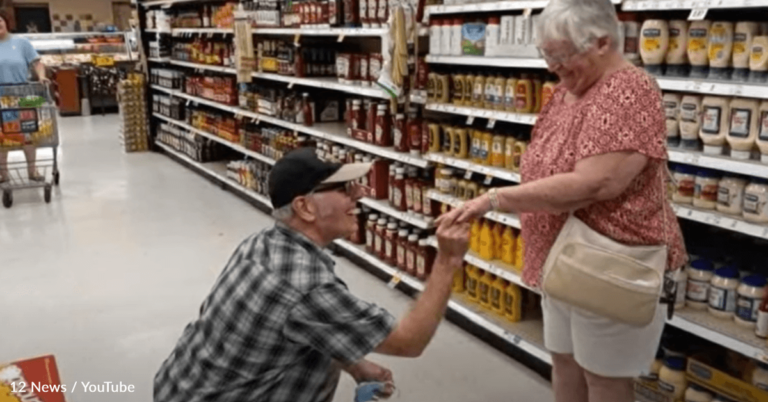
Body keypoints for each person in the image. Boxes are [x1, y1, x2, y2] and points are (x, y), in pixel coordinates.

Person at [437, 1, 687, 401]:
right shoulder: (568, 89)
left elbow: (596, 184)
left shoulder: (628, 89)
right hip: (562, 259)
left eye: (561, 55)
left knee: (604, 380)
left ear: (603, 42)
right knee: (565, 364)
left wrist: (495, 199)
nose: (552, 66)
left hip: (609, 262)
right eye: (547, 54)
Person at [154, 147, 470, 402]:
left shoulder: (263, 244)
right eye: (345, 188)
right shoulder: (304, 284)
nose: (358, 194)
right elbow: (408, 342)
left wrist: (355, 364)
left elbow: (302, 324)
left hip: (182, 386)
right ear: (305, 207)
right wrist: (446, 260)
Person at [0, 10, 50, 183]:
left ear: (6, 22)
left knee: (28, 133)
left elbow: (37, 62)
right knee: (1, 138)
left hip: (22, 94)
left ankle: (32, 171)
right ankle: (2, 173)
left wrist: (42, 76)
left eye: (0, 21)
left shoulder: (21, 42)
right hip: (0, 96)